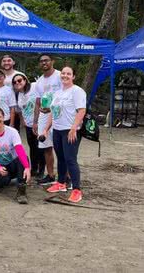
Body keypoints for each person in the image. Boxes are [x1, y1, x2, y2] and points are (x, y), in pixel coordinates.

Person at [45, 66, 86, 203]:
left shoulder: (77, 91)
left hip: (70, 131)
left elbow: (81, 111)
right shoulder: (57, 93)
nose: (65, 76)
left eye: (69, 73)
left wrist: (74, 128)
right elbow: (52, 112)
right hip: (57, 130)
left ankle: (76, 190)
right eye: (63, 73)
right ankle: (61, 183)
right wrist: (46, 129)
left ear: (73, 76)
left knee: (70, 159)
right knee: (61, 158)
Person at [0, 107, 31, 204]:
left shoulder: (12, 132)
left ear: (4, 117)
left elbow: (19, 149)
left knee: (24, 158)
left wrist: (27, 167)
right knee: (2, 182)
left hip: (11, 164)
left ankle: (21, 191)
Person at [33, 54, 62, 185]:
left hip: (59, 114)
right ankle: (50, 175)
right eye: (41, 61)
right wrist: (35, 121)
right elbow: (38, 102)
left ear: (52, 61)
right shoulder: (39, 82)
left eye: (46, 60)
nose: (44, 63)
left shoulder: (60, 76)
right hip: (44, 116)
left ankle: (65, 176)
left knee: (60, 148)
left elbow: (67, 94)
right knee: (46, 147)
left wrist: (52, 109)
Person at [13, 73, 45, 178]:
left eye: (19, 80)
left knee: (41, 147)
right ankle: (34, 169)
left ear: (25, 80)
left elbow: (42, 99)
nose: (17, 83)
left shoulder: (35, 86)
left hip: (40, 123)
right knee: (32, 147)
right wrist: (23, 121)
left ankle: (42, 170)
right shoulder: (19, 95)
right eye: (15, 82)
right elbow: (20, 110)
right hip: (28, 125)